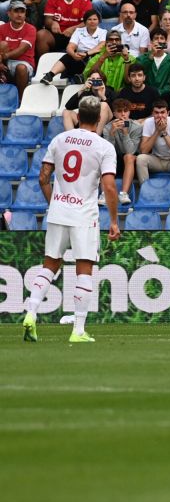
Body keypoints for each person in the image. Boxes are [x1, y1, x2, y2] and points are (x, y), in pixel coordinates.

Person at [20, 96, 120, 344]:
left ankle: (31, 313)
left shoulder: (59, 139)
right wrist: (115, 221)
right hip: (84, 214)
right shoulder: (104, 147)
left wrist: (54, 202)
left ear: (77, 117)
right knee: (84, 269)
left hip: (58, 211)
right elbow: (109, 187)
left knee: (49, 265)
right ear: (99, 119)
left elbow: (43, 177)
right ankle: (78, 330)